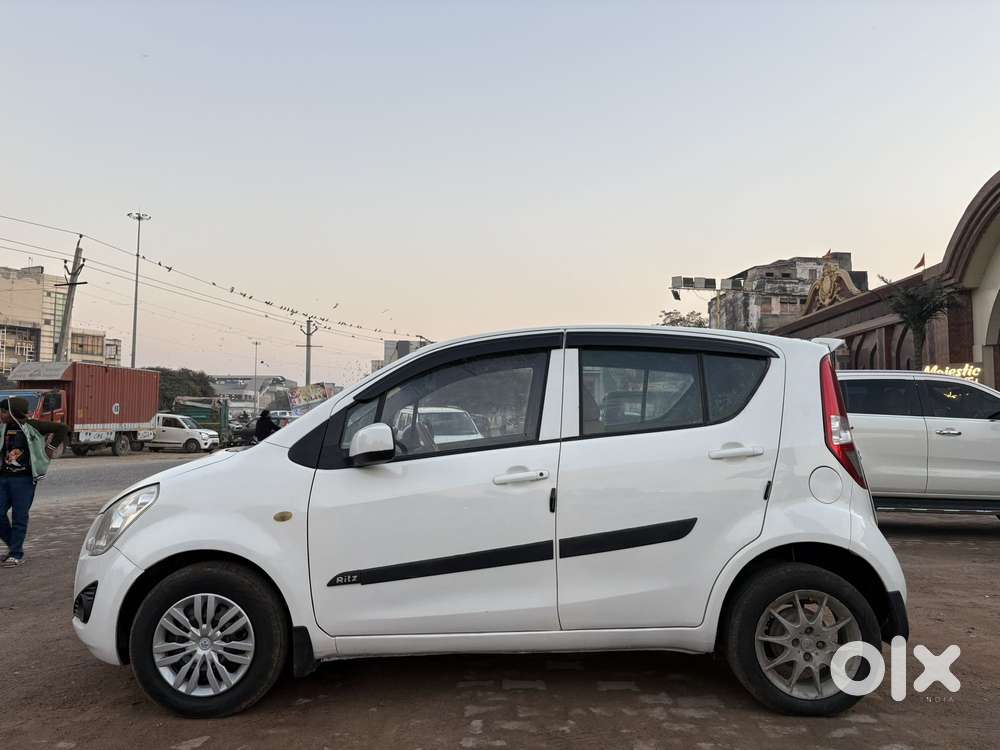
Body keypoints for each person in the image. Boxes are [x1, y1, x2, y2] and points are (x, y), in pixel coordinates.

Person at [0, 397, 69, 568]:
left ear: (13, 412)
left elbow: (62, 428)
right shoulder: (3, 427)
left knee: (19, 516)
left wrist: (50, 448)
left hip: (24, 480)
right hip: (3, 478)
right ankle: (13, 547)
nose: (0, 415)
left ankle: (16, 554)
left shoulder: (33, 425)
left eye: (3, 411)